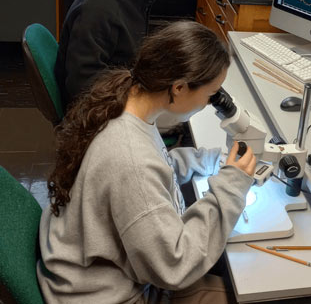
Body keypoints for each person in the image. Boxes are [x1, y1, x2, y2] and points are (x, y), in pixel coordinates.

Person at [38, 21, 256, 304]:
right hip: (105, 295)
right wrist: (231, 188)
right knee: (248, 292)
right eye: (209, 94)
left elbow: (157, 162)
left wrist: (210, 161)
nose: (208, 103)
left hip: (90, 268)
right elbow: (173, 265)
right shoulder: (130, 160)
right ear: (178, 87)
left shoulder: (129, 100)